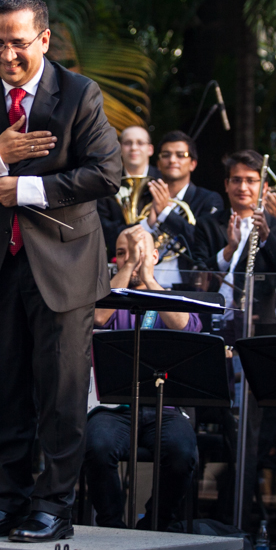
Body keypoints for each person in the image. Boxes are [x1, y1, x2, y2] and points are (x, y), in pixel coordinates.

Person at [0, 0, 122, 542]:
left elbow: (107, 174)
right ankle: (4, 503)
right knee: (5, 392)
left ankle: (52, 506)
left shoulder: (80, 93)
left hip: (64, 266)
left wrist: (27, 187)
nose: (6, 54)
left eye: (17, 42)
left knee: (60, 395)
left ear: (44, 39)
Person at [83, 226, 201, 530]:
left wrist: (148, 277)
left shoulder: (172, 298)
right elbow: (98, 317)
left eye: (137, 252)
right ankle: (112, 525)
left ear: (156, 256)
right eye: (121, 253)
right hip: (113, 407)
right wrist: (129, 266)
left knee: (182, 453)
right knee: (96, 448)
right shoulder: (110, 298)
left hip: (164, 408)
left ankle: (156, 523)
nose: (129, 259)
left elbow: (185, 326)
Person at [194, 150, 276, 325]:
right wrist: (228, 251)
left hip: (259, 324)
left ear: (264, 187)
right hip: (211, 320)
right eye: (236, 180)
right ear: (226, 185)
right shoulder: (207, 225)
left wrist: (266, 237)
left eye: (250, 181)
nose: (242, 188)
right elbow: (197, 275)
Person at [142, 130, 223, 290]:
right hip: (145, 284)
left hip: (187, 287)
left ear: (193, 164)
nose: (172, 160)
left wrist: (165, 213)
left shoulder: (208, 200)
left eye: (181, 155)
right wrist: (148, 225)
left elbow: (204, 243)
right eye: (166, 155)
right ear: (158, 163)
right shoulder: (144, 197)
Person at [96, 125, 161, 257]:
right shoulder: (106, 182)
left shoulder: (162, 181)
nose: (134, 148)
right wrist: (145, 225)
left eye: (140, 143)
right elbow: (103, 228)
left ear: (150, 149)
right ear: (119, 148)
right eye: (127, 143)